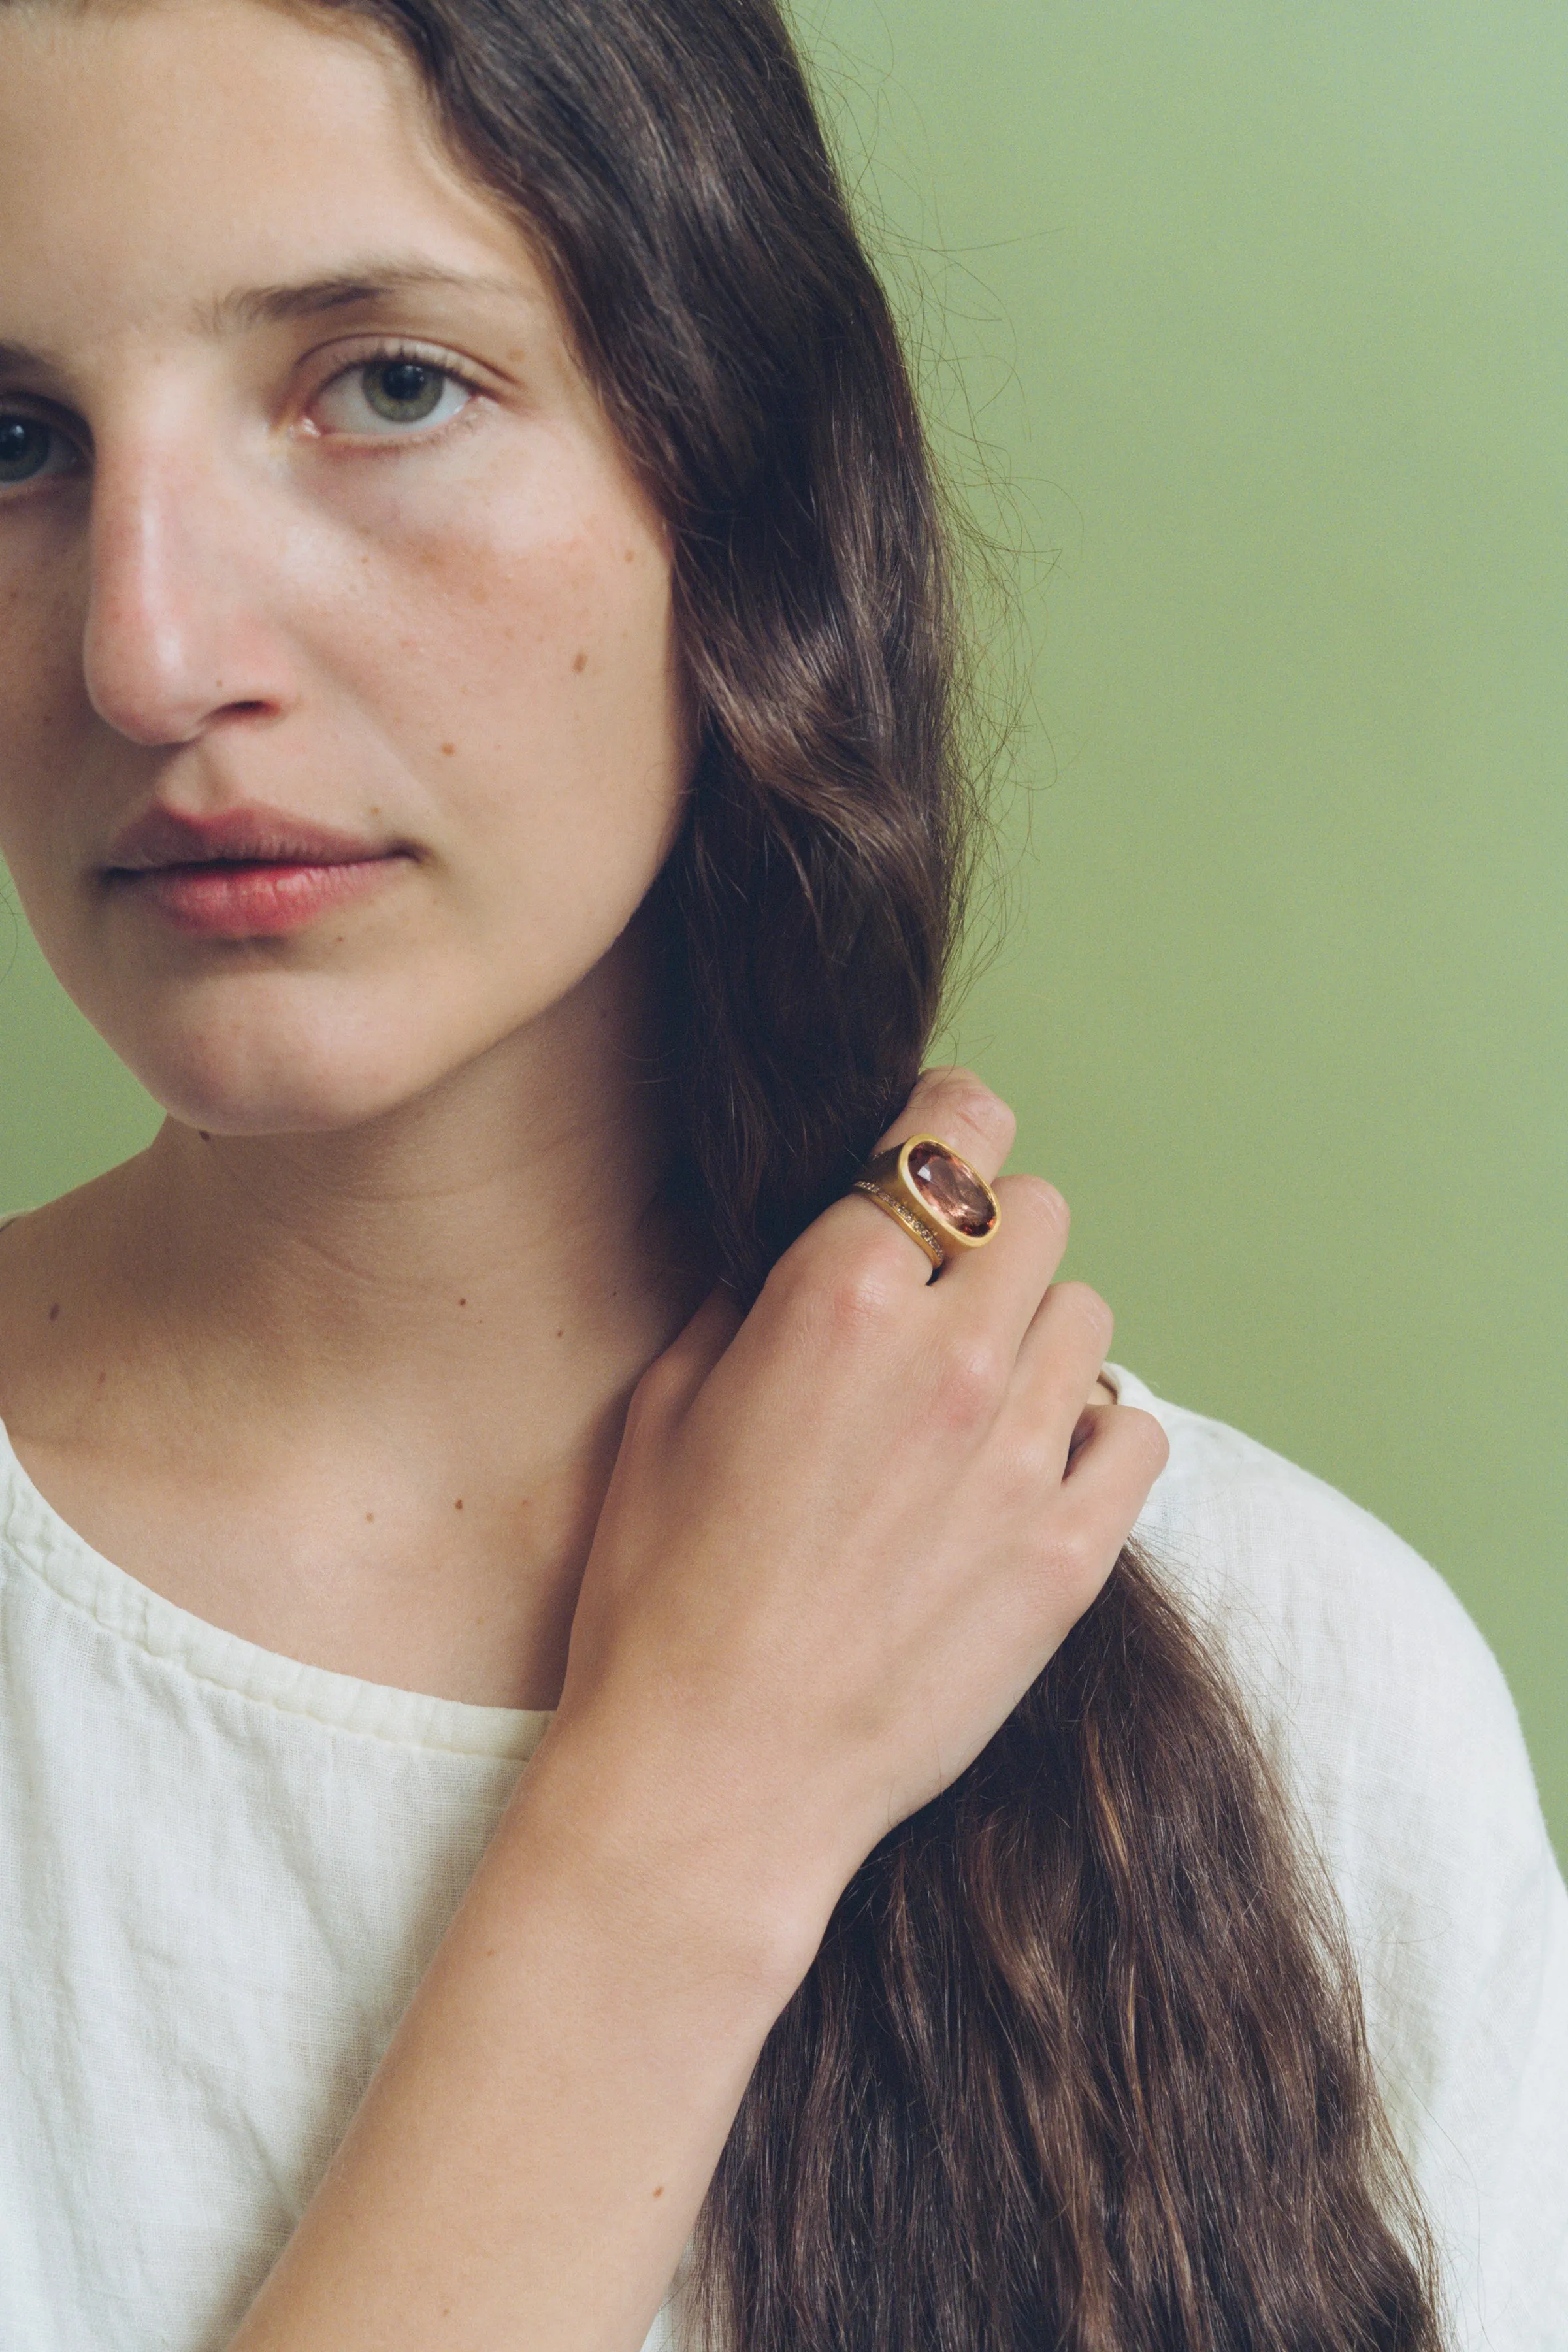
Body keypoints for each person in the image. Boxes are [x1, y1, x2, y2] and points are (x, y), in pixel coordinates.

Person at [0, 0, 1561, 2345]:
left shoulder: (1296, 1683)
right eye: (12, 437)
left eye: (387, 383)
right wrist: (678, 1825)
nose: (148, 649)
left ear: (743, 486)